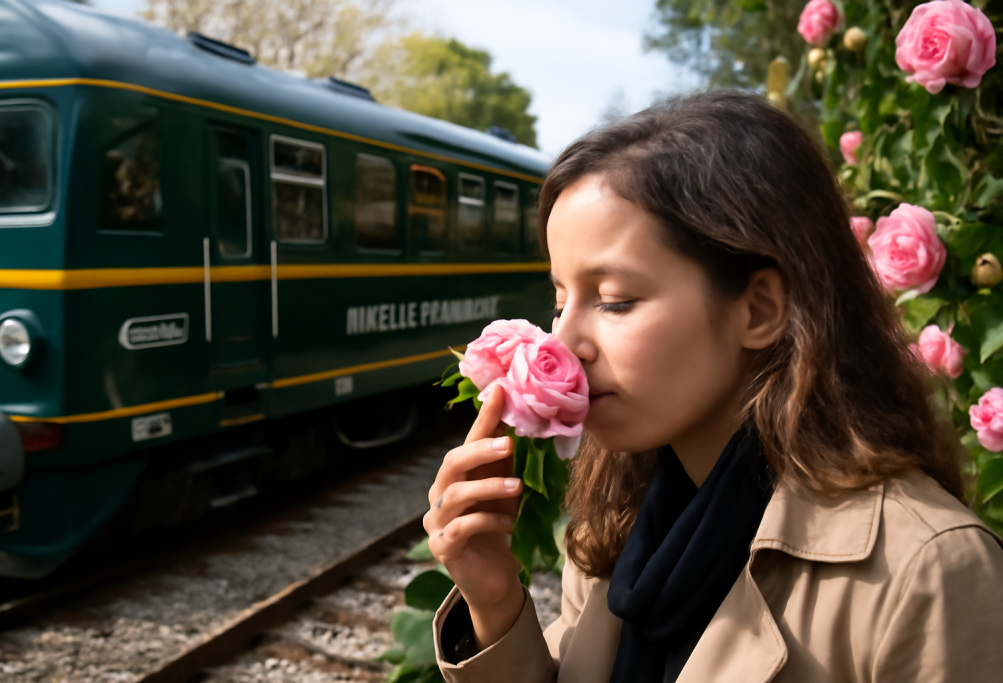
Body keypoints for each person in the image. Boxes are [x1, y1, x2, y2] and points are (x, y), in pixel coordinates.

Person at [422, 90, 1003, 682]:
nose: (563, 344)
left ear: (758, 309)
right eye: (560, 300)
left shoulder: (928, 571)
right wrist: (494, 604)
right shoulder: (616, 526)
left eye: (614, 301)